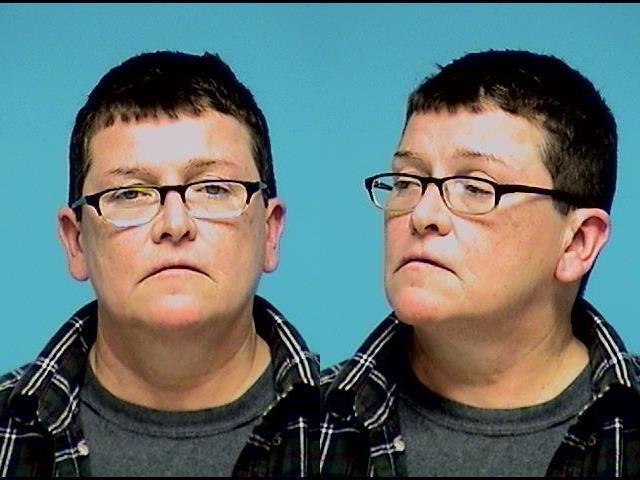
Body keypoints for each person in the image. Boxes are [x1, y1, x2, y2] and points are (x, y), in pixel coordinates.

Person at [320, 49, 640, 477]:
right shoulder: (304, 427)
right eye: (407, 181)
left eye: (475, 187)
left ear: (577, 243)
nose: (422, 215)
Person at [0, 50, 319, 477]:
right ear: (76, 242)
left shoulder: (352, 430)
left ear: (270, 232)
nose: (174, 224)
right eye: (130, 194)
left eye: (213, 188)